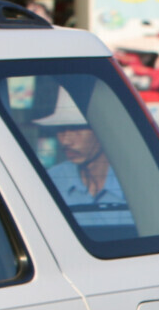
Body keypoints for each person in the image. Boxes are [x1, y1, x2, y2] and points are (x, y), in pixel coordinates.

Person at [36, 94, 134, 227]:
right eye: (61, 130)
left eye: (76, 128)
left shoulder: (134, 182)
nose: (66, 141)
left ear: (102, 129)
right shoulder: (52, 181)